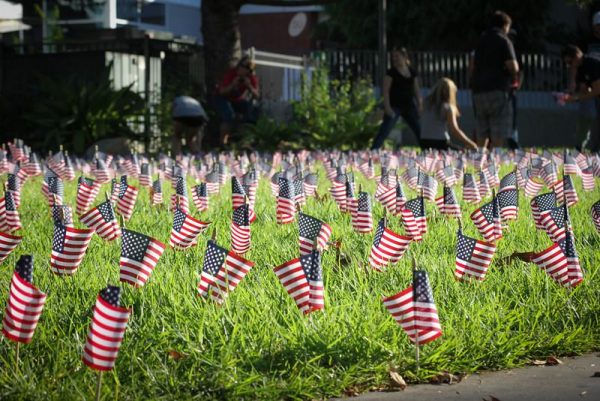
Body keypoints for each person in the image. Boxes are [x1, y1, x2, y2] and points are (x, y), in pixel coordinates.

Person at [470, 10, 519, 148]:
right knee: (498, 128)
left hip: (478, 91)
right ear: (505, 25)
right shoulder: (504, 40)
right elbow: (513, 66)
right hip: (498, 90)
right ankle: (495, 159)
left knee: (482, 129)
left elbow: (473, 64)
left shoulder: (481, 40)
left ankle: (480, 158)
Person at [371, 46, 422, 149]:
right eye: (393, 56)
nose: (395, 58)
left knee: (419, 130)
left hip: (409, 106)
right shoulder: (391, 73)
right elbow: (385, 91)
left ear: (404, 56)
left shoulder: (412, 72)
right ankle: (373, 151)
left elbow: (416, 90)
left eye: (397, 56)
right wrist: (388, 108)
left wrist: (420, 104)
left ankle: (428, 151)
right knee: (385, 130)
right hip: (395, 106)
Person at [420, 78, 478, 150]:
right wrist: (471, 144)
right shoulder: (448, 107)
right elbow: (454, 130)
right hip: (441, 142)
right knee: (463, 153)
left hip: (424, 142)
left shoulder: (425, 103)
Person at [213, 55, 260, 146]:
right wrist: (233, 84)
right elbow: (222, 92)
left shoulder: (250, 78)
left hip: (236, 100)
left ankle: (244, 140)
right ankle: (223, 143)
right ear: (240, 67)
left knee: (251, 111)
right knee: (229, 115)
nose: (246, 72)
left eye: (249, 71)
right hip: (221, 98)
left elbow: (257, 95)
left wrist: (249, 86)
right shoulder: (231, 74)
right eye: (245, 68)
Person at [562, 44, 600, 151]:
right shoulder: (581, 68)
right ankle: (582, 147)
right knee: (587, 115)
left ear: (577, 55)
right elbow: (585, 90)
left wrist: (576, 98)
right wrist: (571, 96)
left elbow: (597, 89)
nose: (570, 66)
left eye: (570, 62)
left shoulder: (591, 64)